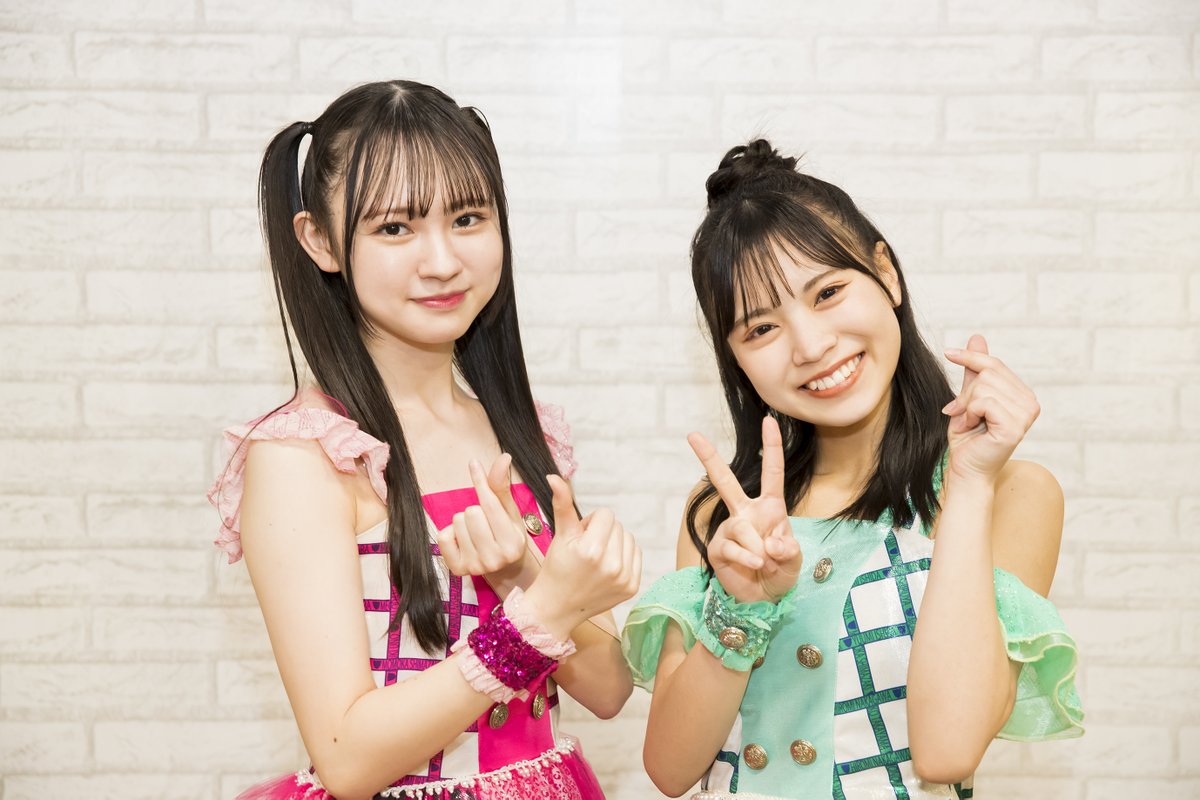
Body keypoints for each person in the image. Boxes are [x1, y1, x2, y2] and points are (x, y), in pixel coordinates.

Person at [208, 80, 640, 800]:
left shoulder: (521, 431)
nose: (442, 261)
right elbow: (348, 760)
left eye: (467, 218)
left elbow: (608, 689)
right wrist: (535, 617)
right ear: (319, 240)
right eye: (395, 229)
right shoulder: (306, 456)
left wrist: (524, 575)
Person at [622, 139, 1083, 799]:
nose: (812, 346)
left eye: (829, 292)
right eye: (761, 329)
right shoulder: (726, 512)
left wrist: (970, 484)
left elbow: (947, 751)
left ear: (885, 273)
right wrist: (739, 608)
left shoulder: (1011, 492)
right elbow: (671, 769)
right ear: (735, 359)